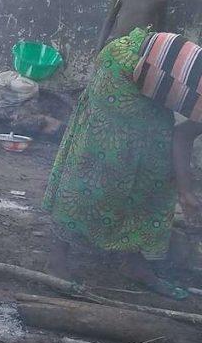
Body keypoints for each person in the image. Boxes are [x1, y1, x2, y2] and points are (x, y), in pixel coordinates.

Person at [44, 28, 202, 299]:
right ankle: (57, 258)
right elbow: (181, 138)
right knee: (100, 160)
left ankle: (133, 261)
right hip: (121, 63)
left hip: (144, 67)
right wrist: (187, 193)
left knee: (156, 169)